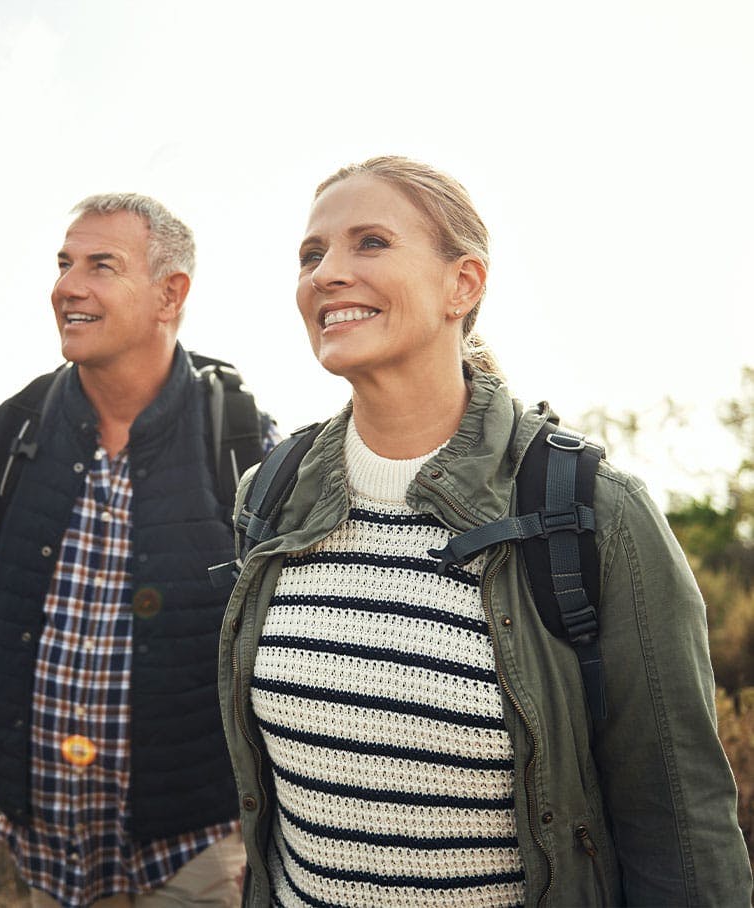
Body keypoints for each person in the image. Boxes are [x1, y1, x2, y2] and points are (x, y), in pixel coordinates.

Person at [218, 156, 753, 906]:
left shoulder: (597, 513)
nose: (327, 273)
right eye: (312, 254)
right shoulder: (268, 496)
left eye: (370, 242)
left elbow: (684, 834)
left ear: (462, 284)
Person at [0, 193, 277, 908]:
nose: (66, 286)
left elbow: (282, 648)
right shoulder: (10, 434)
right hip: (43, 860)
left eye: (101, 265)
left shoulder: (241, 439)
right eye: (63, 263)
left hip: (199, 857)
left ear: (169, 294)